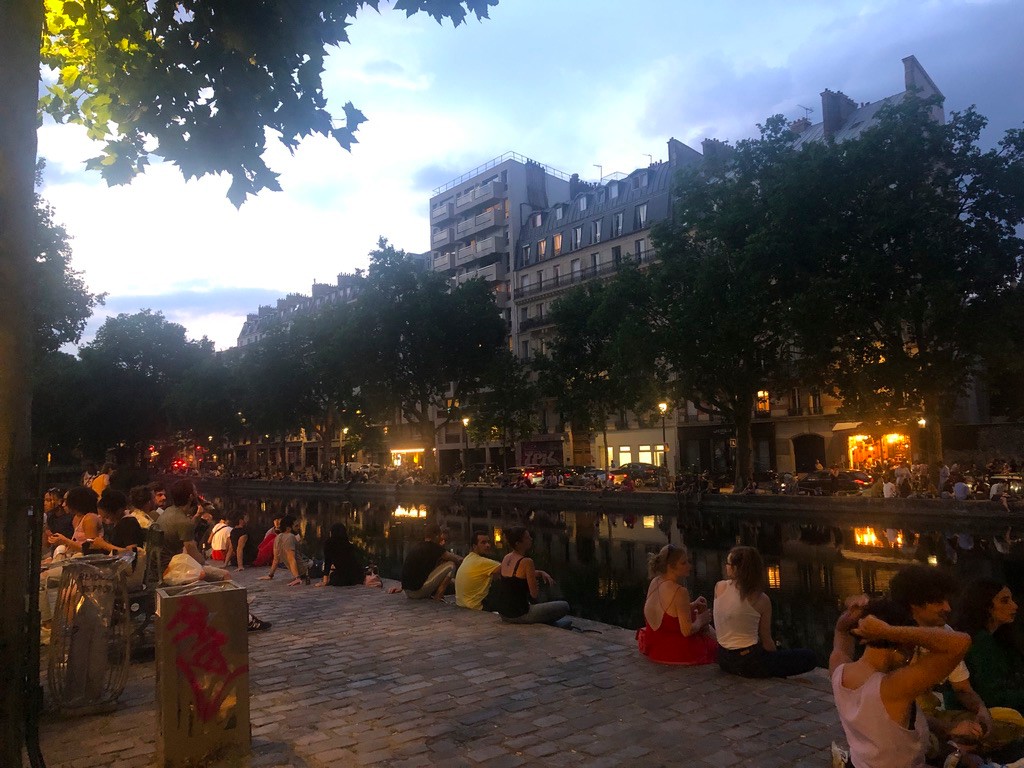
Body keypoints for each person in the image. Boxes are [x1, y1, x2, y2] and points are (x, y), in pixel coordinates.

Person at [830, 595, 971, 768]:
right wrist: (889, 631)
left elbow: (841, 631)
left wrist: (854, 615)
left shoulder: (839, 670)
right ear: (903, 645)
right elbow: (961, 642)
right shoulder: (893, 688)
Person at [890, 564, 994, 743]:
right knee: (932, 743)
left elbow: (962, 688)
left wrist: (982, 711)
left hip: (930, 714)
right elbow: (900, 708)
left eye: (947, 600)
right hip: (898, 721)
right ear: (914, 603)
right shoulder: (890, 638)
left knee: (1006, 719)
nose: (948, 608)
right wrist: (949, 729)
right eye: (939, 602)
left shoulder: (945, 633)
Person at [713, 545, 816, 677]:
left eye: (728, 563)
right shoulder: (760, 599)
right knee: (808, 656)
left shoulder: (719, 587)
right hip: (748, 662)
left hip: (724, 659)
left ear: (737, 568)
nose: (726, 566)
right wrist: (774, 658)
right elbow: (766, 639)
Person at [636, 544, 716, 665]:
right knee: (710, 635)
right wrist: (701, 620)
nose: (689, 566)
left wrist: (693, 605)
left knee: (695, 616)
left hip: (655, 650)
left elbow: (668, 611)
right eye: (684, 563)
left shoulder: (655, 582)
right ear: (670, 567)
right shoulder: (679, 591)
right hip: (676, 653)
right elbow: (687, 631)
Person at [952, 578, 1024, 710]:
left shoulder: (1000, 639)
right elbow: (992, 696)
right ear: (985, 606)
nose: (1015, 606)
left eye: (1011, 599)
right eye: (1005, 601)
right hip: (984, 716)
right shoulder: (979, 641)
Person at [495, 526, 568, 625]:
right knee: (564, 606)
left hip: (504, 614)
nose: (531, 539)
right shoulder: (527, 561)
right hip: (520, 615)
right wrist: (534, 583)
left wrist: (540, 572)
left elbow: (516, 575)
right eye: (527, 537)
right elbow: (534, 595)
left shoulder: (506, 558)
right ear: (518, 544)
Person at [400, 523, 462, 600]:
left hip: (408, 591)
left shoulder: (418, 546)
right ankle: (438, 596)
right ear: (436, 535)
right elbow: (453, 558)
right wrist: (462, 564)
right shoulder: (433, 547)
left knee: (451, 579)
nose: (441, 538)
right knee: (451, 565)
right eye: (440, 536)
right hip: (417, 592)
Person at [153, 479, 205, 567]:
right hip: (169, 567)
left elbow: (184, 530)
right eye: (195, 491)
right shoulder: (183, 521)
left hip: (158, 565)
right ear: (191, 496)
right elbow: (194, 555)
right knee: (224, 575)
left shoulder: (169, 511)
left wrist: (197, 516)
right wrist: (206, 564)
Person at [454, 531, 501, 611]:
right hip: (476, 606)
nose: (488, 545)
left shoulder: (468, 558)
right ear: (474, 546)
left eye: (488, 542)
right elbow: (508, 569)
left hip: (461, 603)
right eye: (483, 543)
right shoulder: (481, 562)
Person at [260, 515, 309, 586]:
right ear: (288, 528)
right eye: (296, 526)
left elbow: (276, 559)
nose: (298, 528)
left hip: (303, 569)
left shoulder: (278, 538)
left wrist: (270, 575)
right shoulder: (290, 537)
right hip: (306, 570)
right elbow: (291, 558)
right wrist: (297, 578)